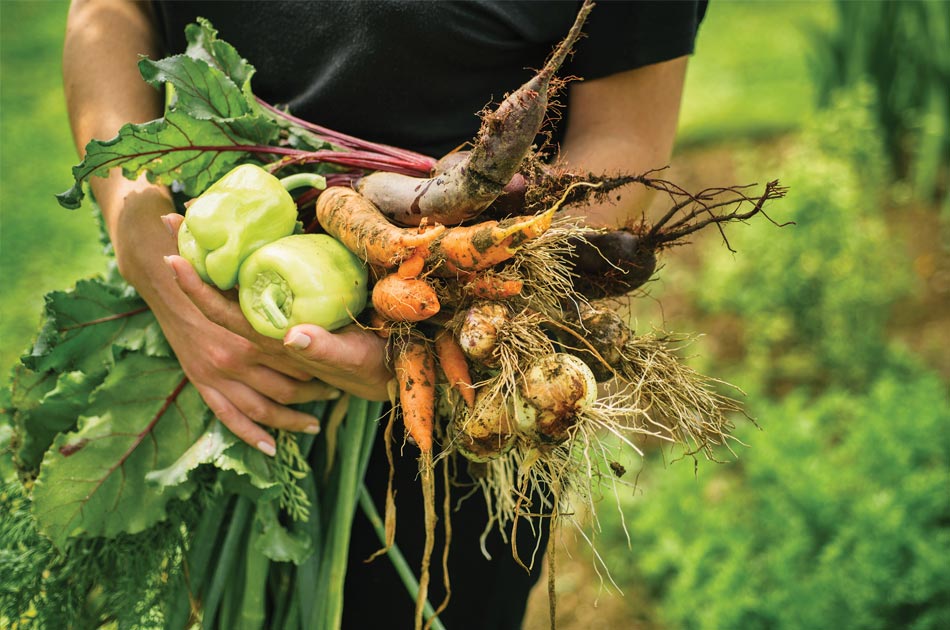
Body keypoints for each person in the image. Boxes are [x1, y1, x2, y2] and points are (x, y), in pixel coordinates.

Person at [63, 1, 706, 626]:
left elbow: (623, 143)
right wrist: (133, 219)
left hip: (471, 376)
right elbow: (107, 12)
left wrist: (448, 315)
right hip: (200, 339)